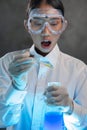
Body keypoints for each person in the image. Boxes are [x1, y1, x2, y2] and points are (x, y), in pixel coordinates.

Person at [0, 0, 87, 130]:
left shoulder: (79, 70)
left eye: (54, 23)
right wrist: (16, 86)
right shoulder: (7, 63)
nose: (46, 32)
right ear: (27, 26)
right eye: (37, 23)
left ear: (63, 25)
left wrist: (70, 107)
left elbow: (84, 125)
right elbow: (2, 121)